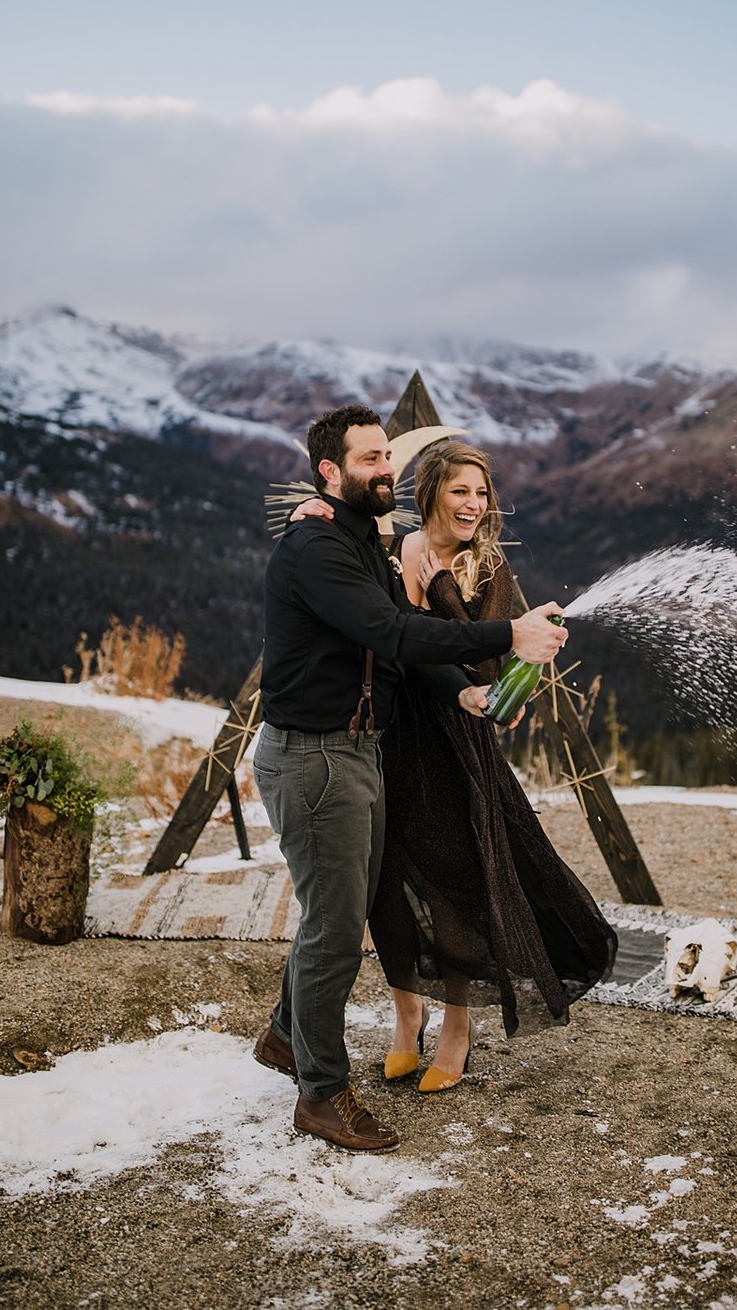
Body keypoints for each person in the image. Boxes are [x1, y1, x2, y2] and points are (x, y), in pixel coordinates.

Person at [251, 405, 567, 1153]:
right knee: (334, 929)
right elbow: (392, 631)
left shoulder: (363, 538)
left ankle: (286, 1037)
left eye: (385, 458)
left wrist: (465, 689)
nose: (383, 470)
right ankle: (322, 1097)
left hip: (355, 752)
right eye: (367, 461)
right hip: (314, 757)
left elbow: (406, 652)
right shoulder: (317, 549)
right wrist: (508, 635)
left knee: (342, 909)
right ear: (329, 472)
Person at [291, 439, 617, 1096]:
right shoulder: (397, 549)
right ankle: (407, 1016)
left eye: (482, 493)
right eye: (461, 490)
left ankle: (457, 1029)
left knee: (453, 882)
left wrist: (461, 605)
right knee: (383, 883)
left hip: (453, 741)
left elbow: (488, 667)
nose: (474, 505)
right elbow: (383, 627)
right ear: (432, 491)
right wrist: (309, 513)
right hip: (386, 734)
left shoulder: (487, 565)